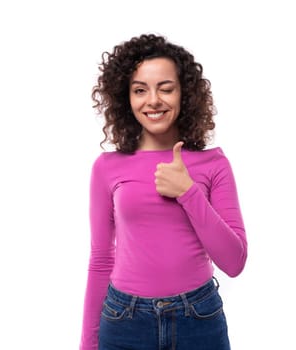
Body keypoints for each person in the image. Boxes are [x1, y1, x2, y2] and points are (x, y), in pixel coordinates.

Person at [79, 33, 248, 350]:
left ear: (185, 94)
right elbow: (101, 260)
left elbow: (234, 261)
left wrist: (188, 192)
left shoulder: (214, 164)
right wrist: (88, 344)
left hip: (198, 318)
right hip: (123, 320)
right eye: (140, 90)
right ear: (125, 97)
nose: (153, 100)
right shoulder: (106, 167)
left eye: (165, 88)